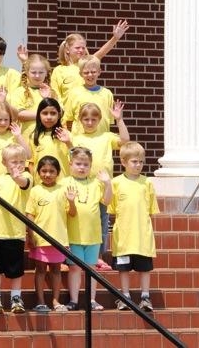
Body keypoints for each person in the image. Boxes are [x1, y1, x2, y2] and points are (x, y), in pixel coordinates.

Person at [58, 101, 130, 270]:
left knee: (102, 222)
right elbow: (73, 157)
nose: (90, 122)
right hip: (81, 186)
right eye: (86, 119)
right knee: (78, 221)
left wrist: (119, 120)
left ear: (99, 120)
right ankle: (72, 255)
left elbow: (125, 141)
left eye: (93, 119)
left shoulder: (106, 136)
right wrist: (69, 142)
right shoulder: (77, 137)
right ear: (80, 120)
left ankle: (98, 257)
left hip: (102, 186)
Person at [108, 141, 160, 312]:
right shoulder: (116, 183)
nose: (138, 165)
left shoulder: (147, 183)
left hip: (142, 236)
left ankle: (145, 296)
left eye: (141, 162)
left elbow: (151, 211)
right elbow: (112, 208)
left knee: (144, 268)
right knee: (123, 268)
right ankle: (125, 296)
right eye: (134, 161)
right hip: (123, 236)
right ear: (123, 162)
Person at [62, 147, 113, 311]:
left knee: (91, 268)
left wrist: (107, 183)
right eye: (78, 164)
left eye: (85, 164)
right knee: (75, 268)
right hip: (73, 234)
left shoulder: (95, 183)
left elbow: (106, 201)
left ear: (90, 166)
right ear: (70, 164)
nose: (82, 167)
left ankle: (91, 300)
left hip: (93, 235)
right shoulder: (64, 183)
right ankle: (74, 300)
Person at [26, 156, 76, 312]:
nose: (47, 174)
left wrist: (72, 201)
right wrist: (31, 234)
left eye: (51, 171)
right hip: (40, 238)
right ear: (38, 172)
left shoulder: (63, 189)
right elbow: (30, 215)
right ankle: (40, 302)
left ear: (58, 173)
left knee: (56, 270)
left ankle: (56, 301)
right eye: (44, 171)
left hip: (58, 238)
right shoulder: (35, 190)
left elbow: (72, 214)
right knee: (40, 270)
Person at [0, 144, 33, 314]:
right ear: (4, 162)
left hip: (15, 232)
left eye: (22, 161)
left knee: (15, 268)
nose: (18, 164)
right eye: (14, 162)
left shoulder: (27, 176)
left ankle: (15, 297)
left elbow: (23, 184)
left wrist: (16, 176)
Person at [51, 20, 129, 107]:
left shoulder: (86, 64)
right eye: (77, 48)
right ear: (67, 49)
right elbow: (55, 93)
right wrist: (61, 111)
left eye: (83, 48)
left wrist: (115, 38)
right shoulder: (58, 70)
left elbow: (102, 52)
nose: (81, 50)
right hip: (67, 115)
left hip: (88, 113)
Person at [8, 54, 58, 139]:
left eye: (41, 72)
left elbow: (60, 112)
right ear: (27, 72)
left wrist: (47, 99)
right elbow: (19, 114)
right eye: (33, 72)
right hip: (26, 139)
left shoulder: (52, 92)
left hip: (48, 140)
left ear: (46, 73)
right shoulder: (19, 92)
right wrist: (44, 114)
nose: (37, 76)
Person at [63, 55, 114, 135]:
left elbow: (109, 120)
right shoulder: (74, 93)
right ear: (80, 74)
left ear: (99, 72)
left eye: (93, 72)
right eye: (86, 72)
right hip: (80, 140)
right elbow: (68, 119)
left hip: (101, 139)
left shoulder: (107, 94)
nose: (90, 75)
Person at [29, 98, 70, 181]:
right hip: (40, 184)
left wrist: (68, 143)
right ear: (39, 115)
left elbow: (75, 158)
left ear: (59, 115)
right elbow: (31, 162)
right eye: (45, 113)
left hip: (61, 184)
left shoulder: (66, 134)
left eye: (53, 113)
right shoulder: (34, 136)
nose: (49, 117)